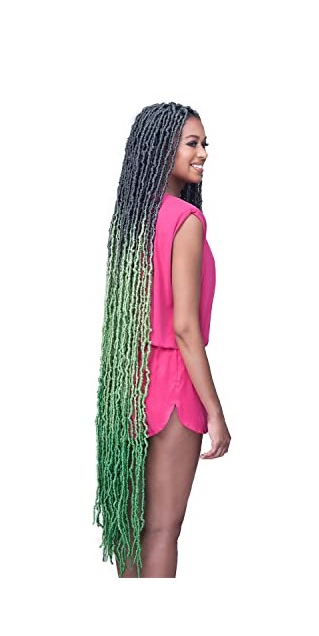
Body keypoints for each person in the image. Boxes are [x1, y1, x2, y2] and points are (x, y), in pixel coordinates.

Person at [93, 102, 231, 578]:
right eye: (192, 143)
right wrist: (215, 412)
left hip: (127, 385)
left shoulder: (131, 220)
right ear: (162, 147)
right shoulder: (185, 220)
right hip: (173, 388)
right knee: (160, 532)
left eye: (204, 144)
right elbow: (186, 329)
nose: (203, 154)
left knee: (130, 528)